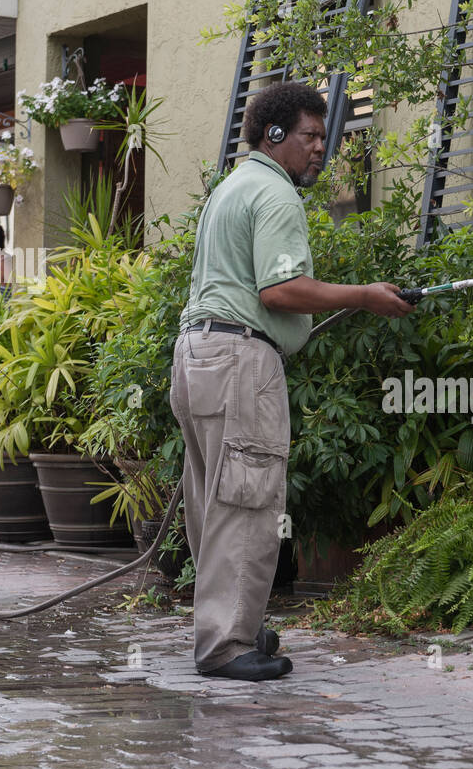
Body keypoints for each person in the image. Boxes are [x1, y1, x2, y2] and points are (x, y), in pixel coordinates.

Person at [172, 82, 414, 681]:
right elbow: (278, 291)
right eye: (309, 136)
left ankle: (233, 627)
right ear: (273, 136)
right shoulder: (276, 195)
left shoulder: (230, 189)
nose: (320, 150)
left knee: (214, 499)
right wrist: (363, 296)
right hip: (239, 360)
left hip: (197, 355)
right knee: (248, 500)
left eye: (322, 137)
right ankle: (228, 646)